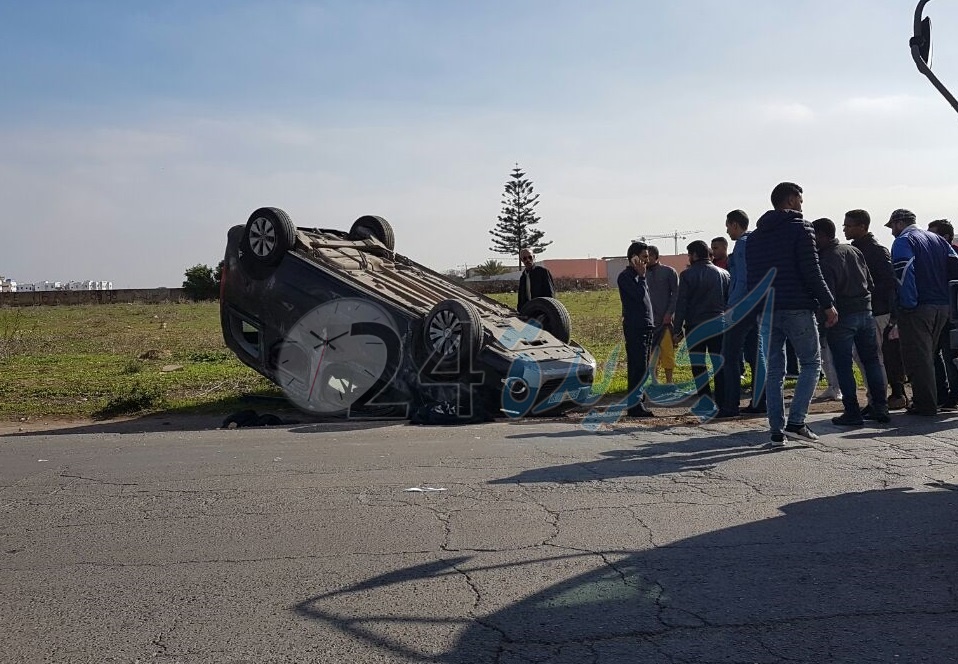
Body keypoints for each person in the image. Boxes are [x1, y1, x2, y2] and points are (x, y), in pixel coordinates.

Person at [746, 182, 838, 448]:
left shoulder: (755, 236)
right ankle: (797, 421)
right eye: (800, 198)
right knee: (811, 362)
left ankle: (776, 432)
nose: (802, 204)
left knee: (774, 371)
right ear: (790, 199)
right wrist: (828, 303)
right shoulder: (802, 227)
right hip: (797, 304)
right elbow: (811, 269)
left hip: (767, 308)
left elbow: (753, 277)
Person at [812, 218, 890, 425]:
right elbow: (870, 283)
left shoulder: (824, 259)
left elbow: (827, 296)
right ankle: (880, 407)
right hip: (865, 311)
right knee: (871, 361)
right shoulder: (854, 251)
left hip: (842, 316)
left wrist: (822, 322)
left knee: (843, 365)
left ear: (820, 236)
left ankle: (852, 411)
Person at [887, 209, 957, 415]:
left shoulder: (903, 241)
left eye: (892, 226)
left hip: (919, 306)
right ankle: (934, 398)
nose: (892, 231)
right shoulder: (938, 240)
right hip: (944, 305)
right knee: (931, 355)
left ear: (899, 223)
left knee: (919, 357)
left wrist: (908, 303)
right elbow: (954, 266)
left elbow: (904, 272)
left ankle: (925, 404)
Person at [843, 209, 904, 411]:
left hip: (878, 311)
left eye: (849, 225)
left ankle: (878, 400)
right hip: (870, 310)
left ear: (862, 226)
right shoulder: (859, 249)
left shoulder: (876, 250)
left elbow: (889, 281)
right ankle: (883, 397)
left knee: (874, 357)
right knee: (871, 357)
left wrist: (871, 297)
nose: (845, 228)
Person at [718, 209, 766, 417]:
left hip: (741, 308)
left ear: (735, 225)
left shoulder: (742, 246)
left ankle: (730, 405)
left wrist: (733, 306)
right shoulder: (757, 243)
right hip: (756, 306)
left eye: (728, 226)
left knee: (729, 357)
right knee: (756, 355)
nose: (727, 231)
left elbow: (742, 279)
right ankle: (760, 401)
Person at [673, 239, 730, 409]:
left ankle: (705, 401)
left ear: (695, 255)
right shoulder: (724, 274)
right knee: (718, 365)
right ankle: (723, 400)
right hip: (719, 324)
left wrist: (677, 330)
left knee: (699, 366)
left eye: (690, 254)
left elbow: (681, 303)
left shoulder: (686, 275)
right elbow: (728, 301)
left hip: (695, 325)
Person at [617, 242, 655, 417]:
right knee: (638, 366)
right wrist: (641, 276)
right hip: (635, 327)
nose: (647, 260)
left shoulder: (640, 276)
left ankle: (638, 401)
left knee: (643, 366)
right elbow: (639, 296)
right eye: (644, 257)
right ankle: (634, 405)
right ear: (634, 258)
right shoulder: (626, 277)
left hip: (646, 326)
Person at [927, 219, 958, 409]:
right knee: (935, 353)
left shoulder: (952, 256)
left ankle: (953, 396)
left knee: (949, 354)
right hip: (940, 309)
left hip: (951, 313)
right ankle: (942, 394)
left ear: (945, 237)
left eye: (933, 234)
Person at [645, 246, 679, 383]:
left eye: (649, 256)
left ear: (656, 256)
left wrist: (669, 313)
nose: (647, 259)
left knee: (667, 353)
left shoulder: (669, 272)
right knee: (651, 354)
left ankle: (669, 382)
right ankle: (654, 382)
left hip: (665, 321)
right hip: (649, 321)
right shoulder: (641, 274)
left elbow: (676, 294)